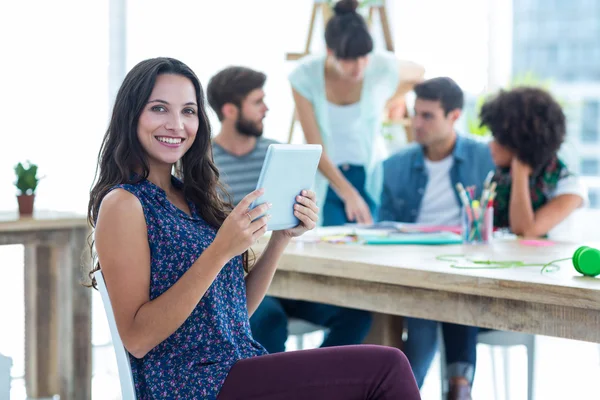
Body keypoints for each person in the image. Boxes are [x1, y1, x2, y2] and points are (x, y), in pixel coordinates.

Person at [87, 57, 420, 400]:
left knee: (383, 367)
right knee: (387, 367)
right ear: (131, 115)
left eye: (188, 111)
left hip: (239, 369)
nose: (177, 124)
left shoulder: (191, 196)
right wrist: (220, 251)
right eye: (159, 109)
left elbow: (234, 311)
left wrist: (280, 239)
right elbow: (138, 339)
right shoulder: (124, 205)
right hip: (193, 385)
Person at [207, 66, 373, 354]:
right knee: (268, 319)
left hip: (290, 271)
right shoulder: (202, 163)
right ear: (230, 110)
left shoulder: (278, 153)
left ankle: (310, 385)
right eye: (258, 102)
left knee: (357, 312)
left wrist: (305, 214)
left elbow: (293, 214)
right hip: (241, 279)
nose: (266, 109)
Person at [379, 77, 495, 400]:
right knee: (432, 299)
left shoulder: (484, 158)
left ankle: (409, 388)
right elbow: (384, 226)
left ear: (454, 116)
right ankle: (453, 387)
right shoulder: (395, 166)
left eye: (428, 116)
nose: (417, 123)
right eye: (416, 113)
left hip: (466, 269)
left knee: (452, 290)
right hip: (413, 269)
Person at [289, 0, 425, 227]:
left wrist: (387, 98)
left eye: (364, 57)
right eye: (349, 60)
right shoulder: (305, 76)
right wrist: (348, 193)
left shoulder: (377, 65)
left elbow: (419, 72)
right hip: (327, 177)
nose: (359, 66)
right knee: (330, 242)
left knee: (368, 242)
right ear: (330, 52)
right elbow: (314, 147)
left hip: (368, 174)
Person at [479, 86, 588, 236]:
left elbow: (525, 231)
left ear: (519, 142)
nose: (491, 144)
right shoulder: (499, 178)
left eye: (498, 138)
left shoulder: (569, 185)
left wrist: (520, 171)